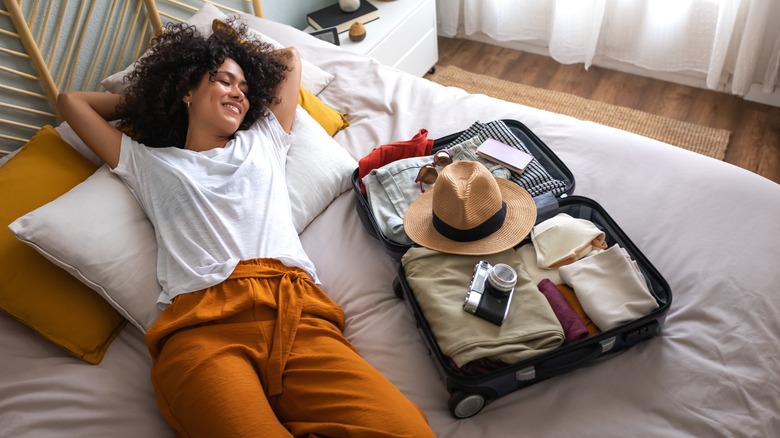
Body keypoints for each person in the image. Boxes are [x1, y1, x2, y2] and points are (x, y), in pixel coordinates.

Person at [58, 19, 435, 438]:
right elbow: (70, 101)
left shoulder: (264, 139)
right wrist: (155, 100)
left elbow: (289, 60)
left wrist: (233, 60)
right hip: (203, 328)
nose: (238, 92)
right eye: (223, 81)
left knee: (407, 430)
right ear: (186, 89)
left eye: (244, 87)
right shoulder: (148, 163)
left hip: (295, 310)